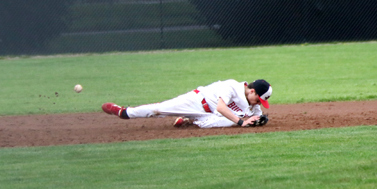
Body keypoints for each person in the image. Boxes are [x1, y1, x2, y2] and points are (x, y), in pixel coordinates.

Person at [102, 79, 272, 129]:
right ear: (252, 91)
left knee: (232, 120)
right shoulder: (232, 87)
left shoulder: (251, 101)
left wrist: (258, 118)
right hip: (196, 101)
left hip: (209, 115)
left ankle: (189, 121)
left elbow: (255, 113)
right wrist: (243, 122)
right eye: (259, 99)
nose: (258, 103)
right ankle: (124, 112)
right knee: (158, 110)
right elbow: (221, 107)